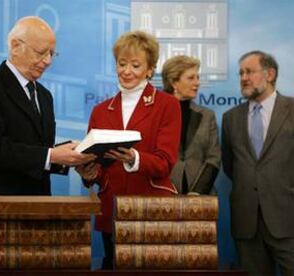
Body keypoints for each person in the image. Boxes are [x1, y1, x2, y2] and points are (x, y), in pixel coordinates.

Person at [0, 16, 95, 270]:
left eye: (53, 54)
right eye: (42, 52)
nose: (48, 61)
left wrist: (76, 160)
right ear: (15, 45)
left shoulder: (44, 95)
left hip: (34, 216)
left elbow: (36, 153)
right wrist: (53, 156)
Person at [76, 31, 181, 269]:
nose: (127, 71)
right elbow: (95, 162)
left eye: (135, 65)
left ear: (150, 69)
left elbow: (165, 162)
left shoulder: (168, 105)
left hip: (152, 208)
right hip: (111, 208)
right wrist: (90, 174)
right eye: (122, 64)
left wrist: (134, 157)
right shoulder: (101, 111)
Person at [222, 50, 294, 274]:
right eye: (241, 73)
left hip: (287, 219)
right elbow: (230, 165)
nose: (243, 77)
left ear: (270, 74)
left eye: (250, 72)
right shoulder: (230, 118)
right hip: (247, 223)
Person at [161, 55, 220, 195]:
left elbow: (214, 157)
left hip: (201, 198)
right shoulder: (157, 114)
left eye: (198, 77)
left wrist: (198, 192)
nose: (197, 82)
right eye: (191, 78)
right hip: (163, 197)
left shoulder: (207, 116)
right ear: (174, 82)